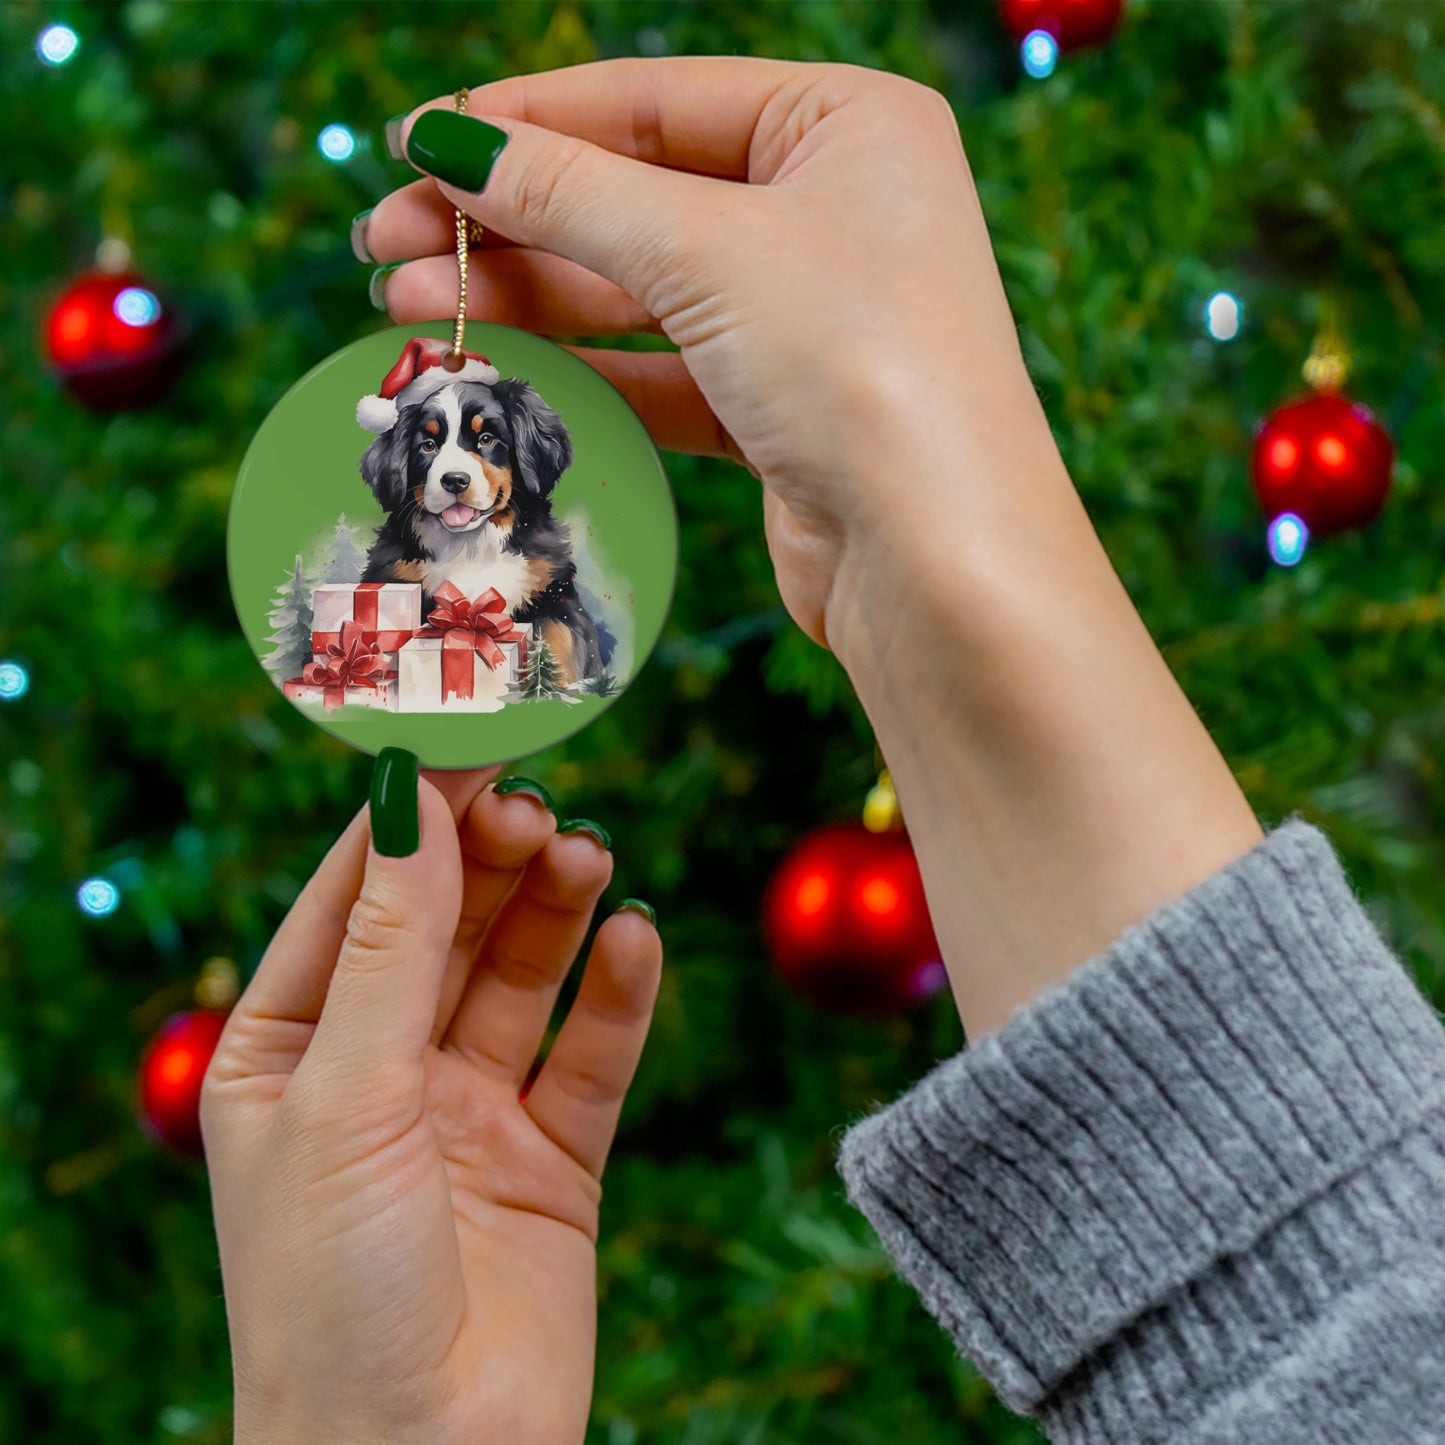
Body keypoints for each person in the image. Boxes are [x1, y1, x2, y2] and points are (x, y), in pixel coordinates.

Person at [201, 57, 1445, 1444]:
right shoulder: (368, 586)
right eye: (427, 447)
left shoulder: (553, 574)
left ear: (521, 455)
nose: (449, 469)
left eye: (477, 442)